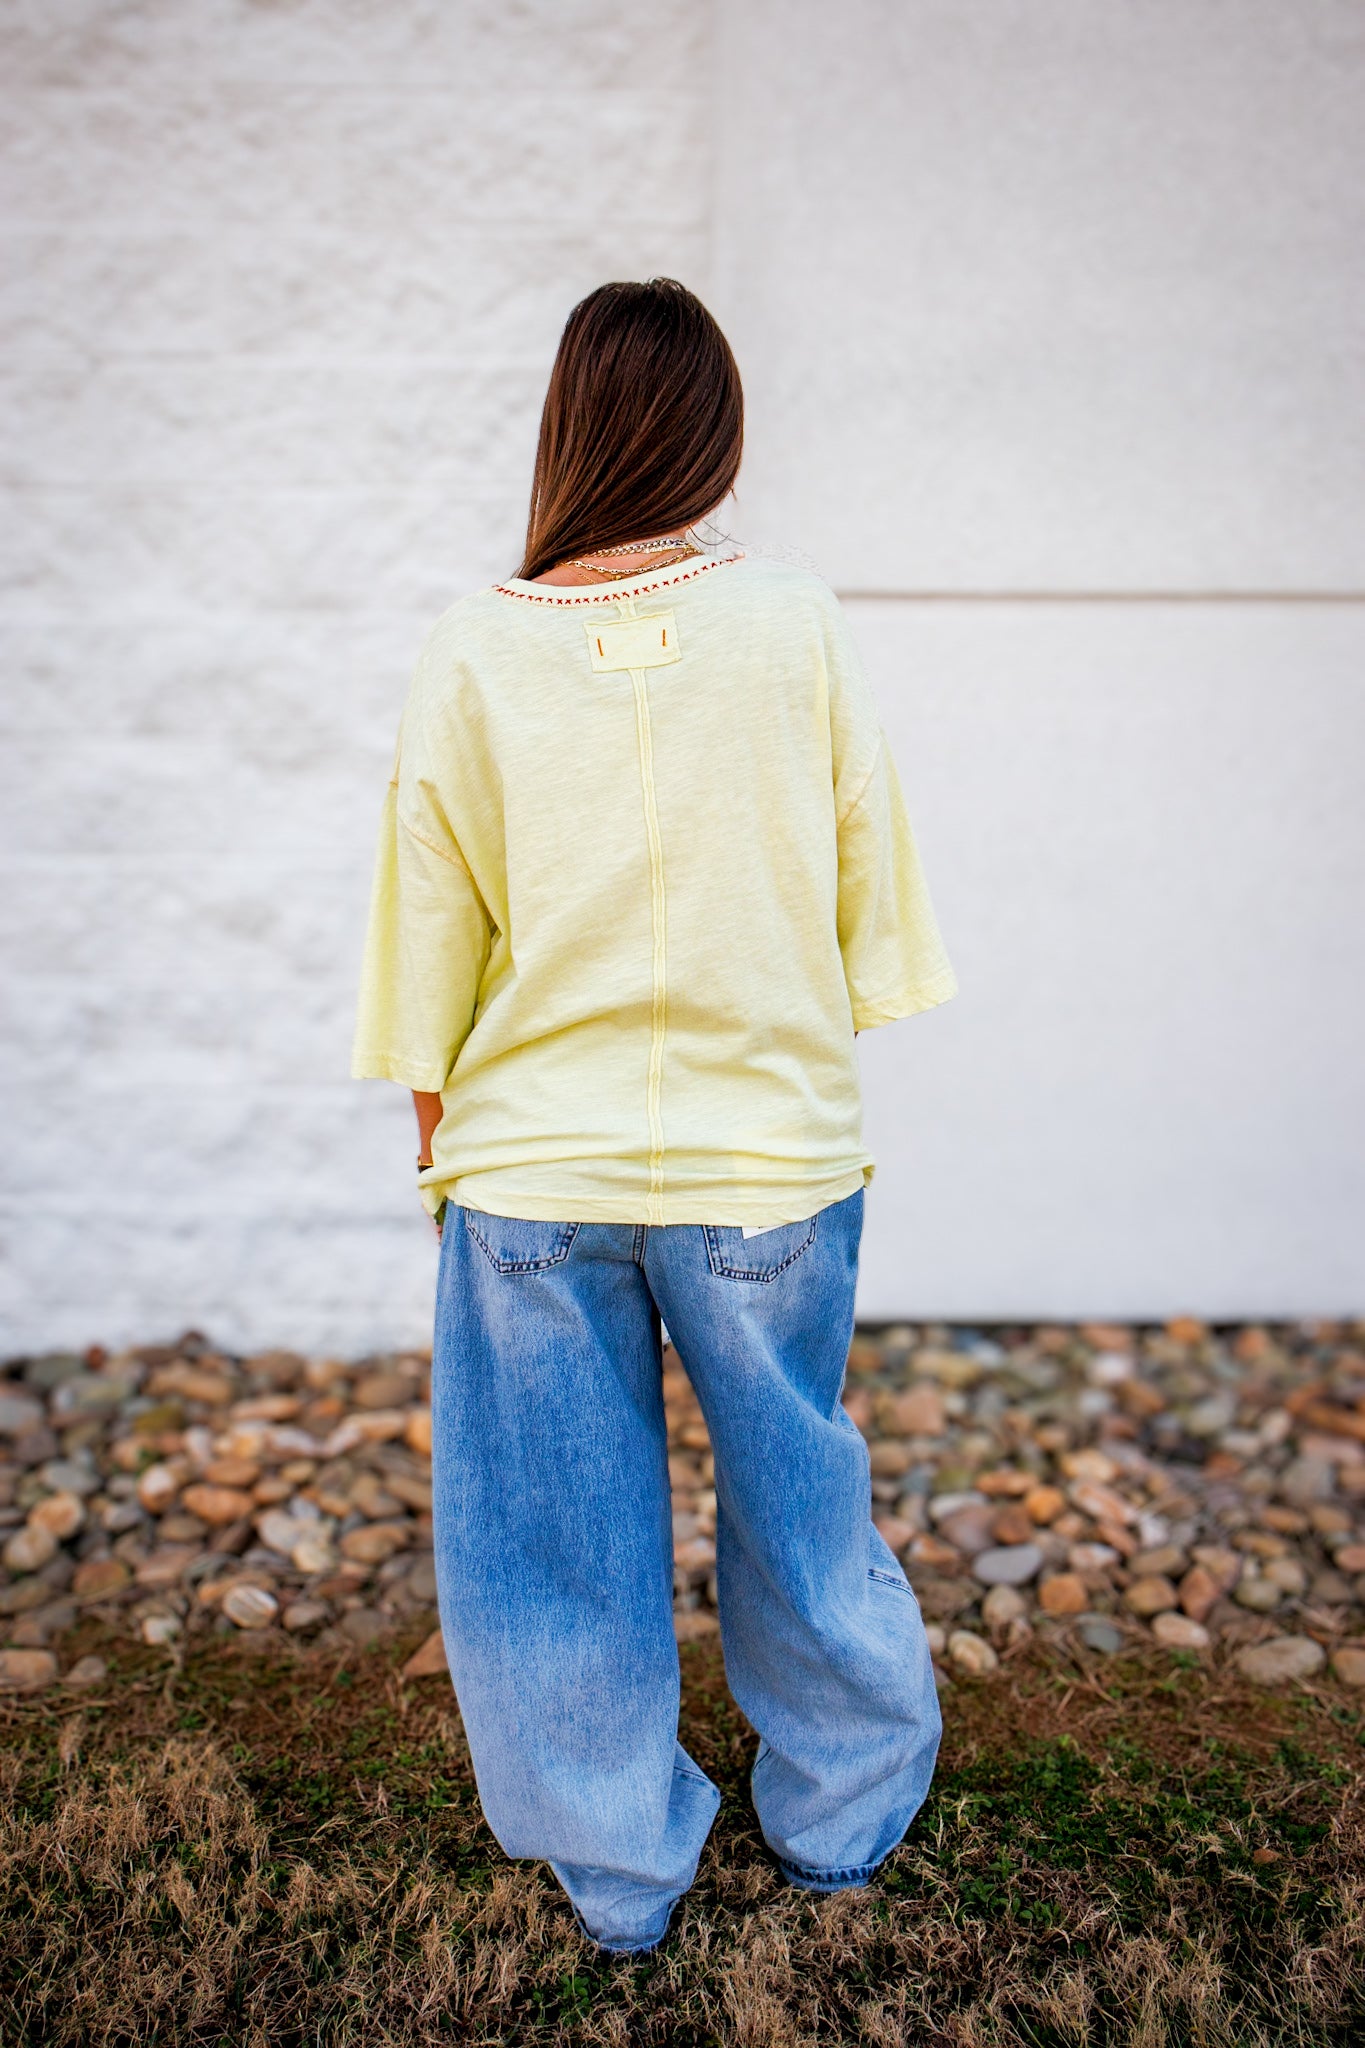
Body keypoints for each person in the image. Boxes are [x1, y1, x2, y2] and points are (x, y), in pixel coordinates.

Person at [352, 278, 957, 1955]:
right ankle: (839, 1817)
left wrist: (441, 1145)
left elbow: (428, 936)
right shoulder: (799, 622)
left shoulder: (471, 645)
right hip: (767, 1161)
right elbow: (868, 897)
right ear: (713, 431)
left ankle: (618, 1875)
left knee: (550, 1540)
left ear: (567, 425)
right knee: (799, 1498)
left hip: (531, 1169)